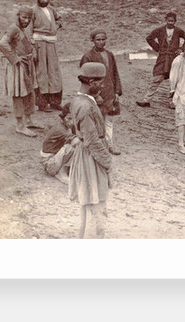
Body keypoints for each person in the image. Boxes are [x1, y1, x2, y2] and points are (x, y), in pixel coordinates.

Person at [67, 62, 116, 239]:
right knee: (94, 199)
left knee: (89, 198)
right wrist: (108, 162)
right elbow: (92, 141)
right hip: (91, 156)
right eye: (100, 82)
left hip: (87, 153)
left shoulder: (80, 100)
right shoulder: (86, 106)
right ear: (91, 81)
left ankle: (87, 234)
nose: (102, 86)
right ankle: (94, 236)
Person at [0, 6, 41, 137]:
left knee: (29, 92)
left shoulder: (23, 30)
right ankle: (20, 125)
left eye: (29, 18)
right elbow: (2, 44)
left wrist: (32, 51)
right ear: (18, 16)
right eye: (24, 17)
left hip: (27, 64)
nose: (26, 20)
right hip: (17, 66)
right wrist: (15, 58)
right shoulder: (13, 28)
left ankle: (28, 120)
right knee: (19, 94)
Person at [79, 30, 123, 155]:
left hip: (109, 93)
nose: (101, 42)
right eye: (98, 40)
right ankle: (97, 145)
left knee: (109, 120)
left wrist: (117, 92)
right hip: (96, 94)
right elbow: (84, 78)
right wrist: (95, 95)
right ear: (92, 41)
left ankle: (110, 144)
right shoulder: (88, 56)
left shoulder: (110, 55)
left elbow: (115, 74)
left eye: (103, 39)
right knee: (96, 120)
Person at [136, 12, 185, 108]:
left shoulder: (178, 31)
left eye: (173, 21)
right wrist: (158, 48)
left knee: (174, 81)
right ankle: (146, 100)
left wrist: (181, 49)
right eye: (169, 21)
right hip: (162, 59)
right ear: (165, 20)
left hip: (174, 59)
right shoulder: (159, 30)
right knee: (156, 79)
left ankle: (173, 102)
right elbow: (149, 38)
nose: (170, 23)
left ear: (175, 21)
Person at [31, 0, 63, 112]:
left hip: (51, 45)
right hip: (39, 46)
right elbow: (28, 31)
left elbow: (58, 19)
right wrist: (32, 48)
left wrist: (57, 25)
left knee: (54, 72)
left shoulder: (51, 10)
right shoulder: (32, 11)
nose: (45, 1)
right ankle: (42, 103)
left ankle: (55, 102)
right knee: (41, 73)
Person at [40, 104, 79, 185]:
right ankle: (61, 173)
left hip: (56, 157)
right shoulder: (60, 129)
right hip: (50, 162)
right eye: (69, 118)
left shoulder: (67, 125)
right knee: (71, 147)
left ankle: (67, 168)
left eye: (75, 119)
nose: (72, 122)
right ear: (63, 117)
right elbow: (76, 141)